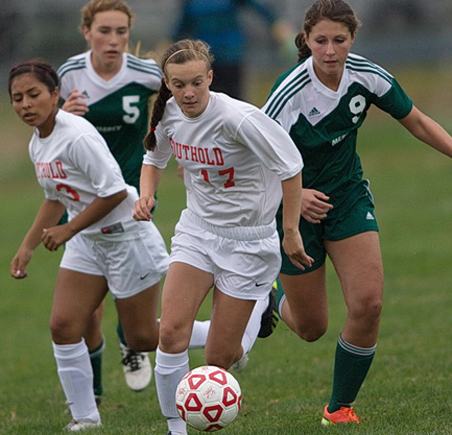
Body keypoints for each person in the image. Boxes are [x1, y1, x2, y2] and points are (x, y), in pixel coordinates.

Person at [262, 0, 452, 426]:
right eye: (321, 41)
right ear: (307, 40)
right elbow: (255, 164)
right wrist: (296, 198)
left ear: (353, 38)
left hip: (348, 198)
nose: (330, 51)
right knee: (312, 327)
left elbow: (417, 120)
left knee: (368, 305)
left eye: (339, 40)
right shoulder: (288, 92)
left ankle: (338, 408)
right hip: (295, 209)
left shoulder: (367, 75)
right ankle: (271, 298)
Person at [132, 39, 312, 435]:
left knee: (220, 358)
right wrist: (147, 194)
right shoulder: (168, 114)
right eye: (179, 85)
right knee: (170, 331)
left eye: (197, 82)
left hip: (249, 241)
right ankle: (175, 430)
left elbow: (290, 167)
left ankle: (259, 306)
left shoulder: (239, 118)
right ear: (167, 83)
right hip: (197, 232)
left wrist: (291, 230)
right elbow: (153, 158)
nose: (189, 93)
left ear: (210, 77)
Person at [8, 60, 170, 431]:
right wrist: (28, 245)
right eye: (17, 98)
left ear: (55, 95)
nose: (26, 104)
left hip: (125, 236)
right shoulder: (39, 142)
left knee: (143, 337)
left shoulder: (76, 135)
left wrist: (67, 231)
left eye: (34, 94)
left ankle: (230, 331)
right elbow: (55, 198)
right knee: (63, 326)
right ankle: (85, 417)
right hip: (87, 243)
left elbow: (113, 192)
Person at [57, 0, 164, 396]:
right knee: (84, 313)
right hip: (85, 198)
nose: (115, 40)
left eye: (122, 32)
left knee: (128, 289)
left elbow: (182, 103)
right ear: (87, 32)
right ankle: (94, 395)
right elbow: (49, 127)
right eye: (105, 31)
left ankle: (130, 341)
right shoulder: (70, 74)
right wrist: (62, 112)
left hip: (134, 194)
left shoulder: (147, 74)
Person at [172, 0, 293, 100]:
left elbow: (259, 8)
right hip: (203, 61)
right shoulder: (191, 3)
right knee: (206, 105)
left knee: (234, 103)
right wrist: (170, 44)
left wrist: (277, 24)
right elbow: (183, 24)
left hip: (230, 57)